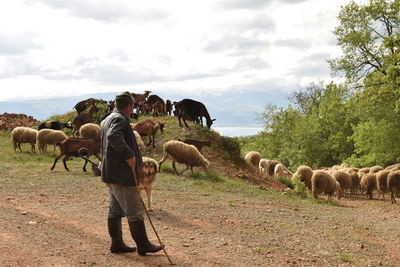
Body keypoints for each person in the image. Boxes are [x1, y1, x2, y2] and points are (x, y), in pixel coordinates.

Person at [101, 91, 164, 255]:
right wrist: (129, 156)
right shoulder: (119, 119)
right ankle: (143, 245)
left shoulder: (107, 119)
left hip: (111, 172)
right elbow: (114, 136)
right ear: (129, 106)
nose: (133, 109)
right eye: (133, 106)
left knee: (115, 210)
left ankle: (117, 244)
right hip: (122, 175)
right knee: (135, 211)